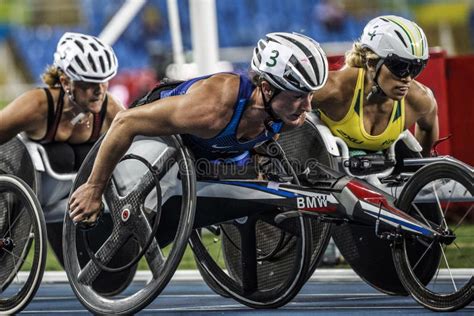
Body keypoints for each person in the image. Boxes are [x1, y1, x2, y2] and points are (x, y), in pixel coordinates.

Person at [68, 32, 329, 224]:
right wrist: (94, 187)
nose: (307, 105)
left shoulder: (288, 114)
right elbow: (125, 122)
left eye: (310, 95)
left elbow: (259, 146)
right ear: (268, 88)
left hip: (204, 153)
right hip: (156, 140)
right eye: (298, 96)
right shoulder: (213, 107)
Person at [0, 32, 124, 222]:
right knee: (61, 156)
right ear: (66, 82)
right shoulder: (37, 105)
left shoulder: (109, 108)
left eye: (104, 80)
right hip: (25, 199)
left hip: (73, 206)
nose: (99, 91)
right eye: (89, 83)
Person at [312, 15, 438, 157]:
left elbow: (428, 130)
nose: (407, 78)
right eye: (400, 67)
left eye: (416, 68)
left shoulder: (421, 100)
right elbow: (285, 104)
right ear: (371, 63)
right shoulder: (334, 89)